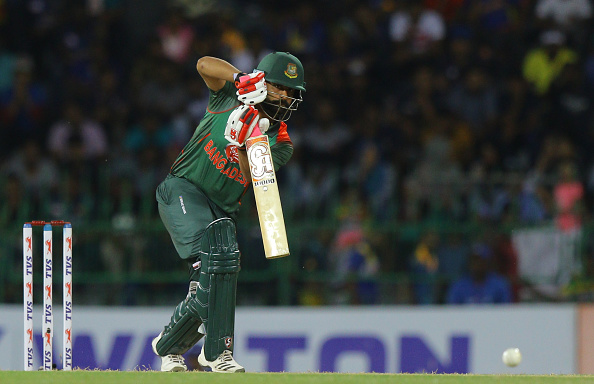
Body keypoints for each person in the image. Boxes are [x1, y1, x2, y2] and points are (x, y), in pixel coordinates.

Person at [150, 51, 305, 372]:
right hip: (183, 189)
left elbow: (255, 179)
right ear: (262, 82)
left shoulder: (282, 140)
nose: (286, 97)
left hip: (222, 212)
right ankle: (215, 353)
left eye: (292, 92)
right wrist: (239, 78)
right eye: (280, 88)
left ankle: (175, 347)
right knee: (216, 265)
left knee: (219, 275)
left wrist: (244, 144)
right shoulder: (229, 96)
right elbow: (202, 64)